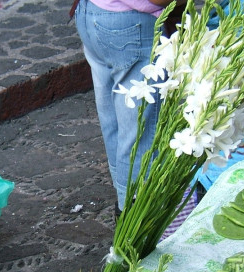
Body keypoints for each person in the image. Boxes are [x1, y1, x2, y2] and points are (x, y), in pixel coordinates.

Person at [72, 0, 178, 213]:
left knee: (113, 117)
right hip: (130, 23)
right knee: (140, 132)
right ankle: (135, 214)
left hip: (90, 12)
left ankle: (125, 201)